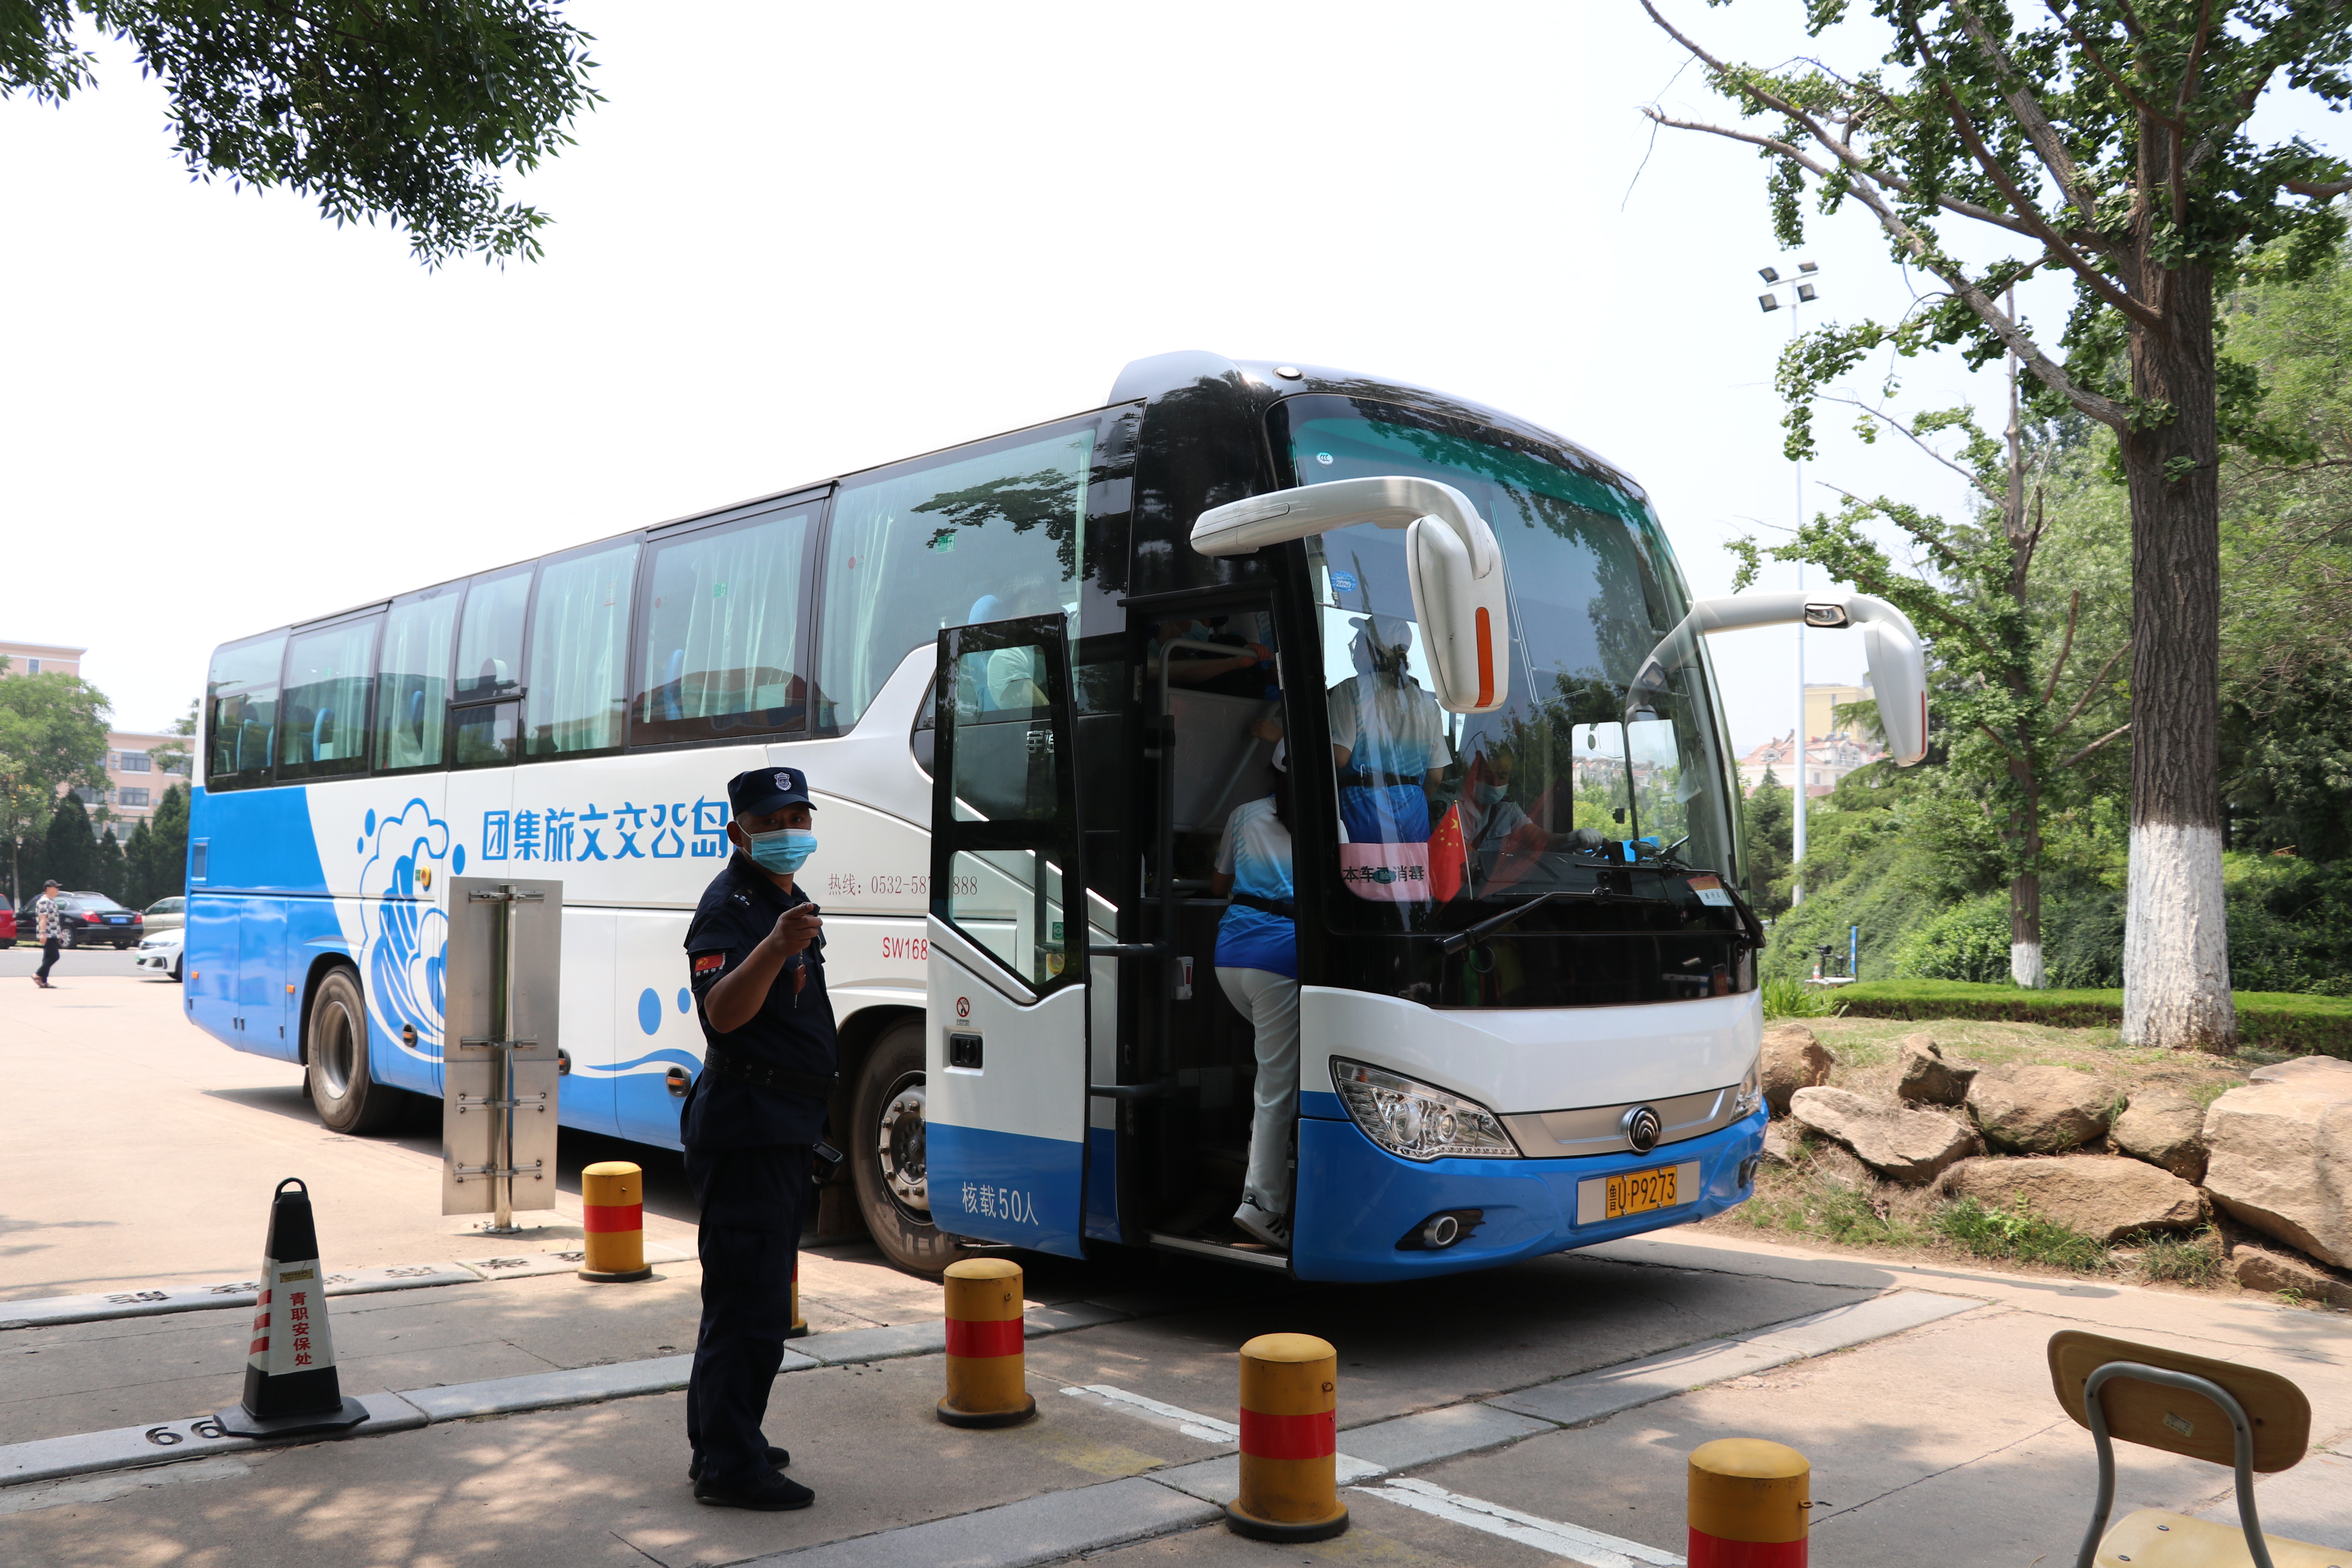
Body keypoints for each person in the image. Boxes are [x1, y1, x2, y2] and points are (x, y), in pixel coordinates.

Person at [679, 767, 836, 1512]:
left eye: (799, 815)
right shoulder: (734, 908)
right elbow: (723, 1014)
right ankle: (730, 1467)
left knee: (744, 1300)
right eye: (772, 821)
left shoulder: (781, 900)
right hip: (748, 1130)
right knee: (750, 1306)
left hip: (780, 1127)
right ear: (739, 832)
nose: (788, 831)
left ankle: (723, 1436)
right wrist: (773, 947)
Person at [1209, 746, 1298, 1249]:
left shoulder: (1244, 815)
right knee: (1277, 1086)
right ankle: (1263, 1205)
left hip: (1231, 956)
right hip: (1281, 962)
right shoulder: (1333, 822)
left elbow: (1219, 882)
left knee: (1279, 1068)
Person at [1326, 615, 1447, 844]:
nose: (1356, 647)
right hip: (1414, 815)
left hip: (1362, 809)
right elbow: (1436, 777)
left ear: (1372, 648)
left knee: (1359, 878)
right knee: (1409, 878)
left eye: (1359, 640)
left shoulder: (1351, 690)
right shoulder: (1427, 702)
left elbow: (1339, 758)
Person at [31, 879, 62, 989]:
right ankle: (38, 974)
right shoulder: (44, 901)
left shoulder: (52, 901)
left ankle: (44, 981)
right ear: (48, 889)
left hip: (53, 932)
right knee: (55, 956)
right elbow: (43, 918)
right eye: (56, 887)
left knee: (48, 957)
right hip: (47, 933)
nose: (58, 889)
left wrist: (59, 933)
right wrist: (43, 933)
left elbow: (55, 919)